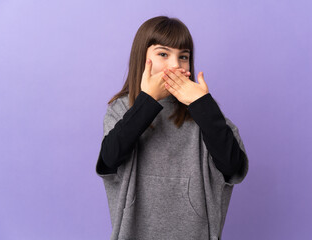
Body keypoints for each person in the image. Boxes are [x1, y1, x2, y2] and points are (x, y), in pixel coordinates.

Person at [95, 16, 249, 240]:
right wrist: (147, 101)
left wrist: (202, 105)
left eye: (183, 57)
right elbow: (109, 160)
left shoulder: (204, 111)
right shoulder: (121, 108)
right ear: (142, 58)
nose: (176, 65)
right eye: (163, 54)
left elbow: (232, 166)